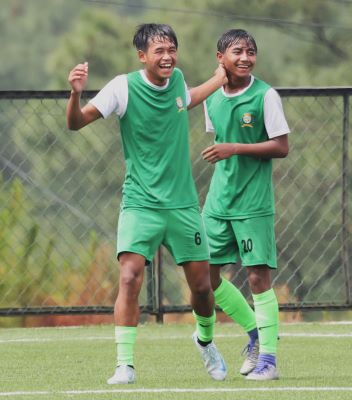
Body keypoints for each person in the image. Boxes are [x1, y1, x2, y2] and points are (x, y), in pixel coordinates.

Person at [66, 23, 229, 384]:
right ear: (142, 56)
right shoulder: (122, 88)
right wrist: (75, 94)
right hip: (140, 204)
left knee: (203, 288)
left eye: (172, 49)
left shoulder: (177, 81)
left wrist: (220, 77)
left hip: (183, 206)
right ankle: (125, 365)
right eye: (159, 50)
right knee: (129, 278)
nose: (167, 56)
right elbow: (76, 124)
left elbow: (188, 98)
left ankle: (204, 341)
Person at [201, 28, 290, 381]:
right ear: (220, 57)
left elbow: (281, 147)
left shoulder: (266, 96)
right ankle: (255, 332)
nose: (245, 58)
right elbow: (218, 138)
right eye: (237, 51)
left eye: (251, 52)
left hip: (253, 203)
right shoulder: (211, 97)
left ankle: (268, 359)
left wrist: (234, 148)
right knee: (204, 278)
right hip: (217, 202)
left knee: (257, 277)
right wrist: (227, 148)